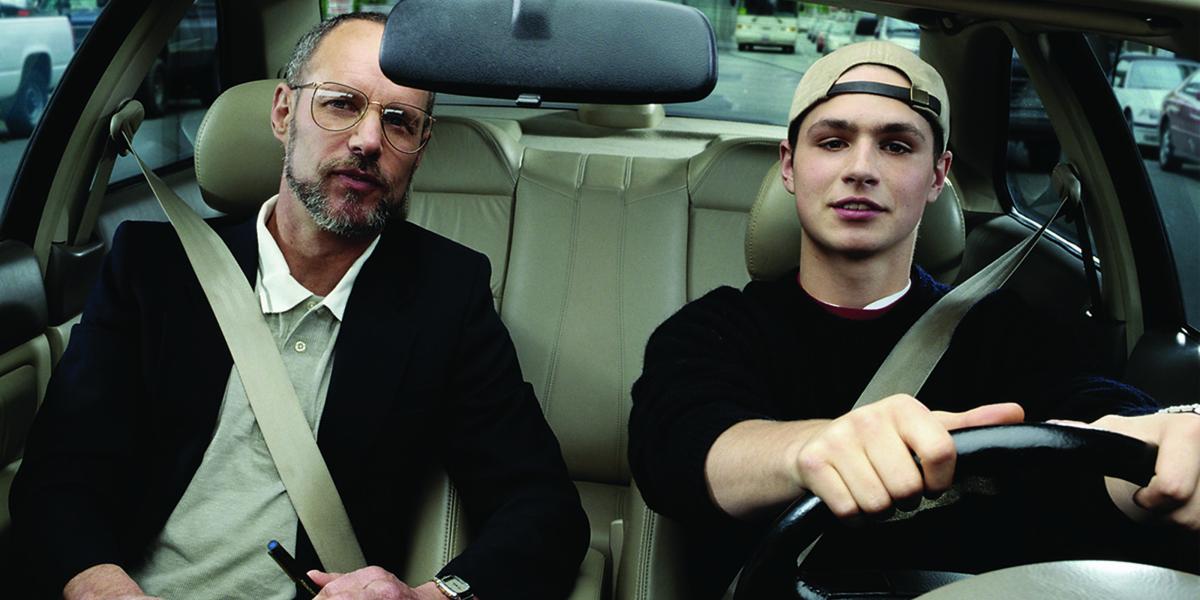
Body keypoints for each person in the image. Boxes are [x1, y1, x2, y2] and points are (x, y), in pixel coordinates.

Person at [11, 13, 588, 600]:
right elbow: (57, 479)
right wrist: (101, 586)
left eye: (399, 121)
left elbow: (543, 511)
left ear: (420, 149)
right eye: (341, 104)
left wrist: (429, 597)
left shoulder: (445, 294)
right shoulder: (153, 268)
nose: (367, 141)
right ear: (284, 112)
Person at [629, 40, 1200, 595]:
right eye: (832, 142)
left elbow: (1091, 409)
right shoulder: (713, 330)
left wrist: (1158, 441)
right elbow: (684, 446)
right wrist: (816, 450)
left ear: (936, 176)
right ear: (788, 165)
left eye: (897, 146)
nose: (860, 168)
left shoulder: (1003, 329)